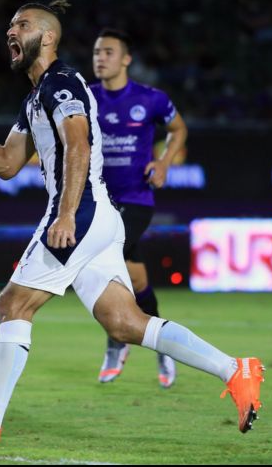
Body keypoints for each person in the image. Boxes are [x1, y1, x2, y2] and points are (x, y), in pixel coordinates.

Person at [0, 0, 264, 454]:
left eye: (22, 24)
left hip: (80, 211)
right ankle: (235, 370)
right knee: (124, 323)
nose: (11, 31)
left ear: (47, 37)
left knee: (13, 305)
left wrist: (65, 215)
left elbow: (78, 142)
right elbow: (6, 163)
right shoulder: (35, 97)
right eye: (9, 25)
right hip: (100, 217)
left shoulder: (61, 83)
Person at [90, 28, 188, 388]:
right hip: (100, 200)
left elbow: (178, 130)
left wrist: (163, 163)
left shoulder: (151, 99)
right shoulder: (85, 98)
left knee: (105, 253)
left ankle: (117, 340)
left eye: (109, 52)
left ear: (126, 59)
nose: (101, 58)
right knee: (137, 279)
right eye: (97, 52)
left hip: (136, 200)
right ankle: (166, 345)